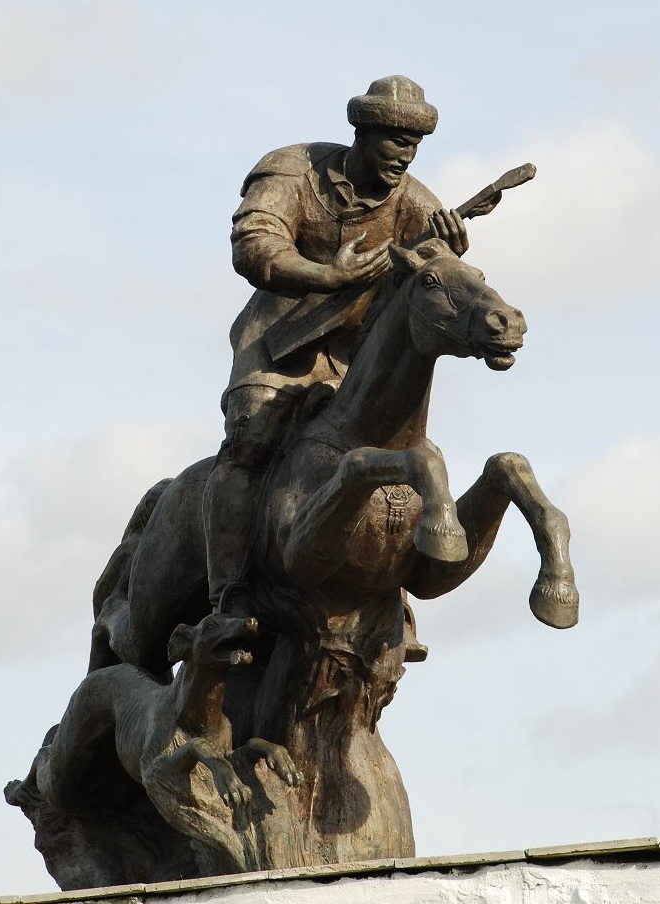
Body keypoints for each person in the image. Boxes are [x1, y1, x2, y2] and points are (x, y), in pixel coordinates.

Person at [205, 75, 470, 613]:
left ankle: (382, 594)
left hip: (356, 360)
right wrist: (327, 275)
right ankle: (228, 599)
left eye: (415, 145)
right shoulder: (292, 171)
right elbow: (255, 244)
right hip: (277, 349)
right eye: (396, 141)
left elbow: (429, 286)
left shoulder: (418, 204)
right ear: (363, 133)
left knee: (396, 452)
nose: (405, 156)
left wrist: (449, 253)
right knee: (248, 446)